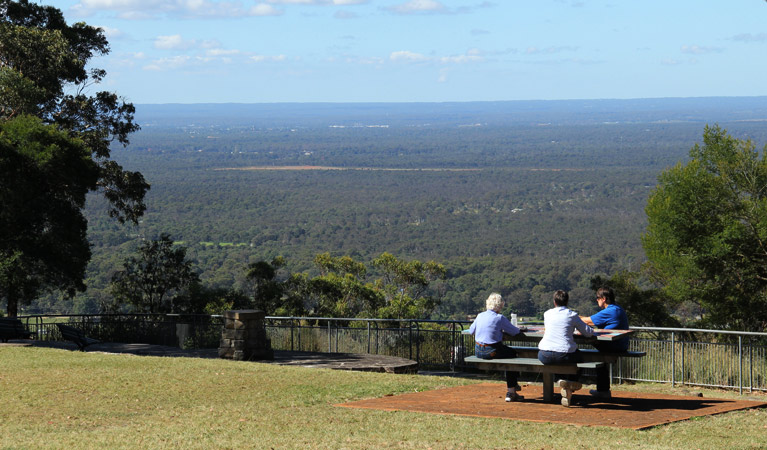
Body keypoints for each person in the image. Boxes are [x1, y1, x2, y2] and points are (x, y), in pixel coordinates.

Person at [538, 290, 594, 407]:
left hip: (544, 354)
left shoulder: (547, 314)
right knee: (580, 359)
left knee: (557, 360)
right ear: (567, 301)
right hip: (564, 353)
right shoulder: (572, 315)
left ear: (554, 302)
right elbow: (588, 333)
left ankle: (561, 381)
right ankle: (570, 382)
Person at [468, 293, 525, 402]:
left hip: (478, 350)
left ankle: (514, 386)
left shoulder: (480, 316)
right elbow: (515, 332)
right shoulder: (499, 318)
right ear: (500, 305)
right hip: (491, 351)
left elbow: (471, 331)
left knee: (508, 353)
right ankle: (511, 390)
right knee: (512, 354)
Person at [580, 286, 629, 399]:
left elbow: (588, 321)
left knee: (578, 353)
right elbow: (589, 321)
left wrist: (571, 317)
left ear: (604, 299)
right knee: (598, 358)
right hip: (619, 344)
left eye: (598, 298)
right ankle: (603, 390)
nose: (596, 300)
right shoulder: (616, 309)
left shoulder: (610, 311)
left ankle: (570, 381)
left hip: (614, 345)